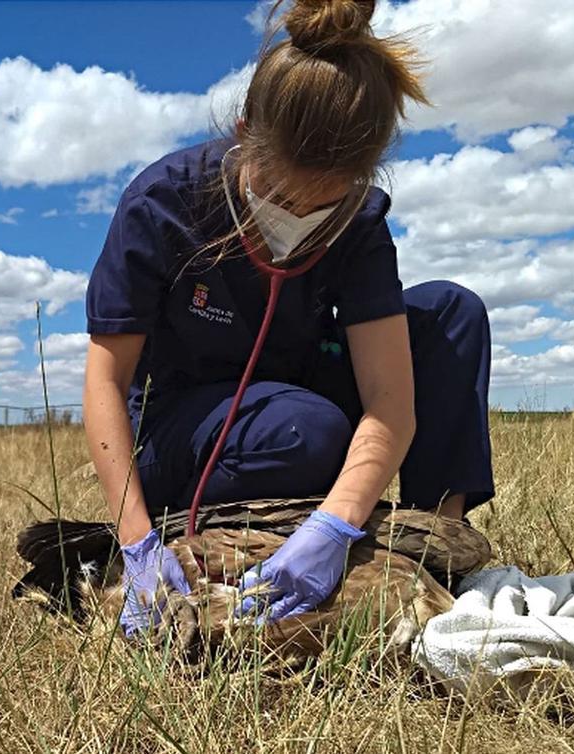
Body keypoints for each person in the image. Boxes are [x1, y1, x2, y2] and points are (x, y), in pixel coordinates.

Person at [82, 0, 494, 636]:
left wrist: (333, 529)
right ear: (246, 132)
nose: (301, 220)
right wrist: (134, 542)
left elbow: (391, 399)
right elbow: (106, 383)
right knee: (308, 429)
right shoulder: (162, 206)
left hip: (295, 391)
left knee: (450, 312)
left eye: (327, 204)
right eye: (279, 195)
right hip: (183, 427)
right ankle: (258, 517)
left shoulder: (358, 222)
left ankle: (433, 540)